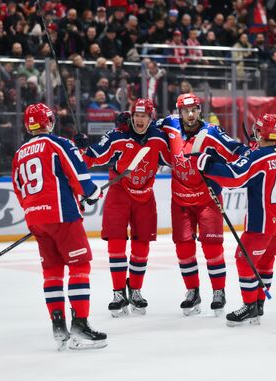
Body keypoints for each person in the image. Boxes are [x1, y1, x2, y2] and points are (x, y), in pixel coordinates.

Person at [11, 103, 107, 351]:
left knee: (52, 271)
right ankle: (80, 325)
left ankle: (58, 327)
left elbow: (20, 190)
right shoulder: (58, 144)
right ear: (49, 122)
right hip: (62, 215)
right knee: (79, 264)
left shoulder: (20, 152)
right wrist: (92, 192)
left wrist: (35, 212)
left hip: (35, 219)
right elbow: (78, 174)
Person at [192, 114, 276, 326]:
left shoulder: (258, 158)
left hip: (262, 225)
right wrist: (252, 153)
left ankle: (249, 306)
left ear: (259, 132)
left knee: (244, 259)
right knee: (265, 262)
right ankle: (258, 303)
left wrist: (207, 165)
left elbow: (235, 177)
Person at [159, 93, 249, 316]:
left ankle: (219, 292)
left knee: (212, 248)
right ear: (179, 112)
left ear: (200, 110)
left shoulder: (212, 131)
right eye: (186, 111)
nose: (190, 115)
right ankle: (192, 292)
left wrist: (253, 150)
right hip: (180, 201)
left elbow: (236, 149)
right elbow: (144, 130)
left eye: (194, 110)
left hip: (208, 199)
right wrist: (125, 127)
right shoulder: (169, 125)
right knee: (184, 249)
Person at [80, 99, 170, 317]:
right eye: (136, 116)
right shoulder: (117, 135)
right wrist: (80, 149)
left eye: (144, 116)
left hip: (145, 197)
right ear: (131, 116)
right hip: (119, 193)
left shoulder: (159, 138)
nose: (140, 120)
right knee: (117, 245)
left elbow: (177, 158)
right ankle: (119, 292)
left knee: (141, 247)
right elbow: (92, 157)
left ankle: (136, 290)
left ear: (151, 118)